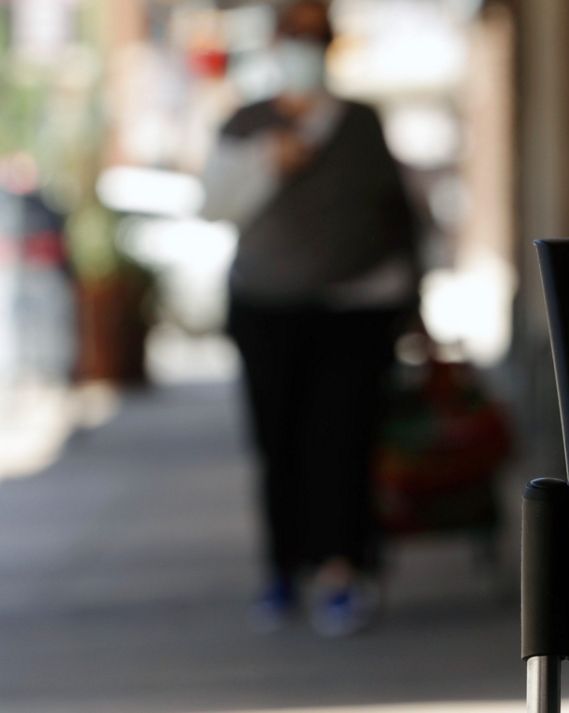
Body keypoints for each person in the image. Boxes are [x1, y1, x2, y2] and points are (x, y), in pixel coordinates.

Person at [201, 0, 421, 637]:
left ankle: (343, 570)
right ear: (272, 44)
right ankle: (281, 570)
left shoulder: (359, 123)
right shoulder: (244, 121)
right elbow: (212, 203)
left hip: (356, 311)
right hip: (266, 311)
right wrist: (268, 158)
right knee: (278, 443)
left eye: (314, 34)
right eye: (293, 35)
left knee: (345, 441)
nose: (304, 46)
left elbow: (397, 215)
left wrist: (415, 303)